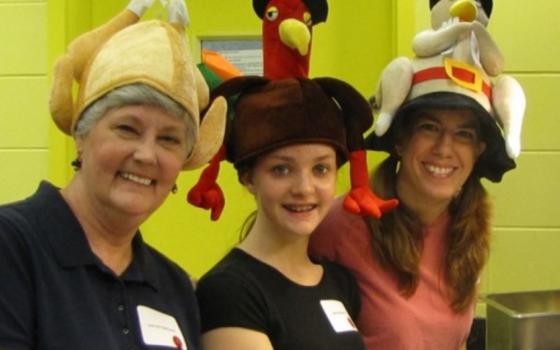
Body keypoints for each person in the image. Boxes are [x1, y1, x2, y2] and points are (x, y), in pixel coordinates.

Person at [0, 1, 226, 349]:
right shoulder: (13, 246)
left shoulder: (174, 287)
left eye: (169, 139)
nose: (146, 154)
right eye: (127, 129)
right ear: (81, 135)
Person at [309, 1, 526, 349]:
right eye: (429, 128)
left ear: (479, 151)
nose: (444, 148)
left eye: (464, 135)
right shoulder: (342, 225)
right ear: (400, 141)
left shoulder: (468, 232)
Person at [191, 76, 375, 350]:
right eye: (281, 169)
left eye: (321, 169)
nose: (304, 188)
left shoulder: (340, 282)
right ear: (248, 178)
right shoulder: (228, 292)